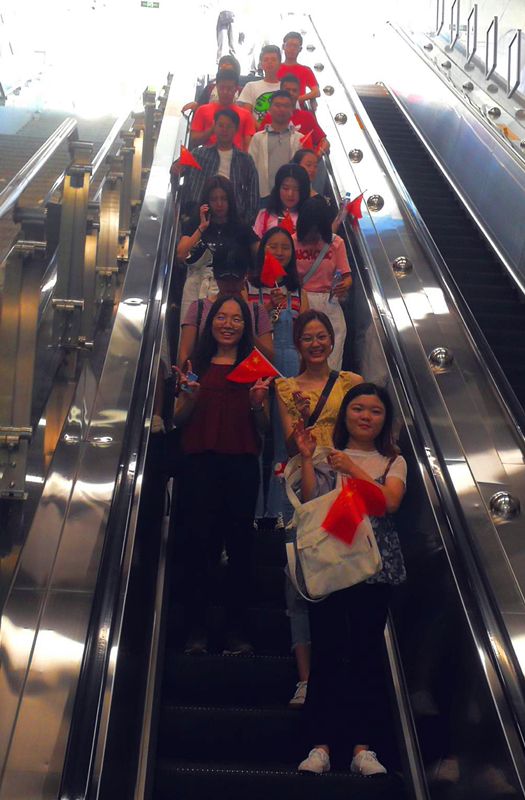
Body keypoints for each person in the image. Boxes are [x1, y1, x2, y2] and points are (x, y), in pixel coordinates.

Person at [292, 383, 406, 774]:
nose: (365, 416)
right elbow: (311, 503)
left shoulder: (393, 461)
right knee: (326, 653)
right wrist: (307, 458)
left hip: (375, 567)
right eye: (358, 408)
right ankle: (319, 747)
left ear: (385, 419)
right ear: (345, 414)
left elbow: (389, 502)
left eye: (375, 411)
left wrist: (352, 469)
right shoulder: (328, 454)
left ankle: (362, 749)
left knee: (365, 655)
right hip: (331, 562)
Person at [172, 295, 271, 656]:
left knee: (241, 550)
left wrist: (257, 404)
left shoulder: (255, 366)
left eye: (237, 319)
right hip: (198, 463)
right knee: (197, 546)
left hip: (241, 464)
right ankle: (195, 630)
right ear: (210, 320)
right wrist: (190, 398)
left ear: (246, 326)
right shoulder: (193, 364)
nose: (228, 324)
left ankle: (237, 632)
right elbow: (178, 420)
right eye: (221, 317)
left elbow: (264, 428)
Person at [275, 310, 363, 707]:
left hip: (343, 483)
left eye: (321, 336)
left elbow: (363, 430)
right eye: (307, 338)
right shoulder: (286, 387)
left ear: (332, 339)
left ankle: (339, 674)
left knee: (344, 573)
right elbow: (289, 447)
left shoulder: (351, 382)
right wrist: (302, 419)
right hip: (303, 485)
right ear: (297, 344)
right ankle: (306, 679)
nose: (315, 344)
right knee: (300, 581)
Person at [248, 227, 308, 524]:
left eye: (285, 247)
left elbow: (305, 331)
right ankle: (252, 513)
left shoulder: (298, 290)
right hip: (256, 363)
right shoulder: (249, 286)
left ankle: (280, 514)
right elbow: (242, 325)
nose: (280, 252)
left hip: (291, 364)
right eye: (273, 246)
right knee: (255, 437)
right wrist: (266, 308)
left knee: (286, 442)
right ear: (263, 251)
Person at [177, 175, 260, 321]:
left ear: (230, 200)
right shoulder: (195, 223)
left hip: (230, 285)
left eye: (224, 198)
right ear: (207, 201)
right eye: (214, 199)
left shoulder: (240, 226)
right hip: (196, 283)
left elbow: (262, 252)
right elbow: (181, 254)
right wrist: (202, 227)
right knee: (191, 325)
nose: (219, 204)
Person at [178, 243, 274, 367]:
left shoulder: (256, 310)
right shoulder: (199, 308)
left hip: (246, 376)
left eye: (235, 280)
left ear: (246, 275)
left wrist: (248, 329)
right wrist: (184, 376)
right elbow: (184, 353)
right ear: (214, 275)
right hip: (204, 376)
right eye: (224, 280)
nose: (230, 285)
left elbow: (269, 358)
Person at [173, 107, 259, 224]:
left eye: (229, 126)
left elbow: (253, 194)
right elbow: (176, 171)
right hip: (199, 215)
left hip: (234, 218)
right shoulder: (198, 154)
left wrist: (246, 222)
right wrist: (175, 168)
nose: (224, 130)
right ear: (214, 127)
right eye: (220, 125)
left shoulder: (245, 160)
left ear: (236, 129)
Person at [294, 197, 352, 370]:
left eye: (317, 231)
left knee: (333, 355)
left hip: (329, 301)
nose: (312, 236)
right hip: (301, 300)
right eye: (309, 230)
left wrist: (344, 286)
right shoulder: (291, 241)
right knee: (301, 354)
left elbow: (347, 277)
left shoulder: (336, 243)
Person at [248, 90, 303, 203]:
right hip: (263, 196)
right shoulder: (258, 138)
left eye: (286, 106)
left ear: (291, 109)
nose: (282, 109)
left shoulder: (300, 139)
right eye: (277, 105)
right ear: (269, 108)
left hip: (291, 197)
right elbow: (250, 168)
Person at [259, 73, 329, 158]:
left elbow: (323, 141)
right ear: (281, 91)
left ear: (299, 92)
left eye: (294, 90)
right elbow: (259, 141)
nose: (291, 93)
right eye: (287, 90)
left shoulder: (307, 117)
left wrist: (318, 155)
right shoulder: (270, 117)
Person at [188, 69, 255, 151]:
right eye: (221, 88)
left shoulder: (245, 114)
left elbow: (248, 146)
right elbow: (193, 141)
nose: (225, 92)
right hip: (207, 157)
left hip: (235, 157)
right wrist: (211, 130)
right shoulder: (202, 110)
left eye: (229, 88)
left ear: (236, 89)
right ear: (216, 87)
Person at [253, 163, 310, 237]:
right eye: (285, 188)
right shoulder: (264, 215)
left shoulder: (309, 217)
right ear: (278, 189)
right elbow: (256, 242)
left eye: (296, 189)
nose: (290, 194)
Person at [238, 44, 281, 123]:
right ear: (261, 65)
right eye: (266, 60)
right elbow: (246, 113)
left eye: (273, 59)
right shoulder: (250, 86)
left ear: (279, 64)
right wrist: (261, 128)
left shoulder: (286, 88)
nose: (269, 62)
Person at [277, 32, 320, 107]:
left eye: (295, 46)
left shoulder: (305, 70)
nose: (292, 49)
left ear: (300, 49)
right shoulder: (275, 68)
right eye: (289, 45)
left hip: (299, 108)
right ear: (283, 47)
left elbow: (316, 92)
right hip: (277, 108)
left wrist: (296, 100)